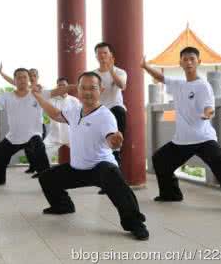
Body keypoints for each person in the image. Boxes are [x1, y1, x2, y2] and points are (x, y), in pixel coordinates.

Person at [32, 72, 149, 240]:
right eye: (83, 88)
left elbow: (111, 139)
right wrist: (39, 98)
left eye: (92, 88)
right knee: (46, 178)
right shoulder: (74, 110)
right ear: (78, 90)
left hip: (100, 167)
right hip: (78, 168)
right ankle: (63, 206)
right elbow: (56, 114)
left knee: (113, 176)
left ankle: (135, 223)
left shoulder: (105, 116)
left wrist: (115, 142)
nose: (87, 92)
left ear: (100, 90)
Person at [142, 46, 221, 214]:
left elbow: (209, 107)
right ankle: (171, 194)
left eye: (192, 59)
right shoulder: (179, 84)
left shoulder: (203, 86)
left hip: (203, 138)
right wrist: (145, 67)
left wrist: (207, 114)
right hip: (182, 140)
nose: (189, 62)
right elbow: (161, 78)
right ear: (180, 63)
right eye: (185, 59)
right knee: (160, 160)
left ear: (198, 62)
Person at [0, 68, 51, 185]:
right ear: (14, 81)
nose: (22, 80)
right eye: (19, 77)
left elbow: (59, 91)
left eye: (24, 77)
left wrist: (77, 86)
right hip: (14, 137)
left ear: (29, 79)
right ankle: (0, 178)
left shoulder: (38, 93)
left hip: (33, 135)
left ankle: (50, 183)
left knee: (41, 159)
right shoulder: (7, 96)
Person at [93, 42, 128, 194]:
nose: (102, 56)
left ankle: (115, 183)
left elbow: (122, 85)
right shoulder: (92, 75)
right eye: (99, 53)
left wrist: (111, 70)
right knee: (101, 149)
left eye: (105, 53)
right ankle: (105, 183)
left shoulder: (120, 72)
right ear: (96, 56)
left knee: (114, 148)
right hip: (99, 112)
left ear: (111, 56)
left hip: (115, 112)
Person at [43, 77, 80, 164]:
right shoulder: (51, 100)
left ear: (68, 86)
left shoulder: (74, 100)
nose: (62, 87)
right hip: (55, 135)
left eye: (64, 85)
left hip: (71, 135)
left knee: (83, 153)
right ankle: (44, 173)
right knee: (42, 150)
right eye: (60, 85)